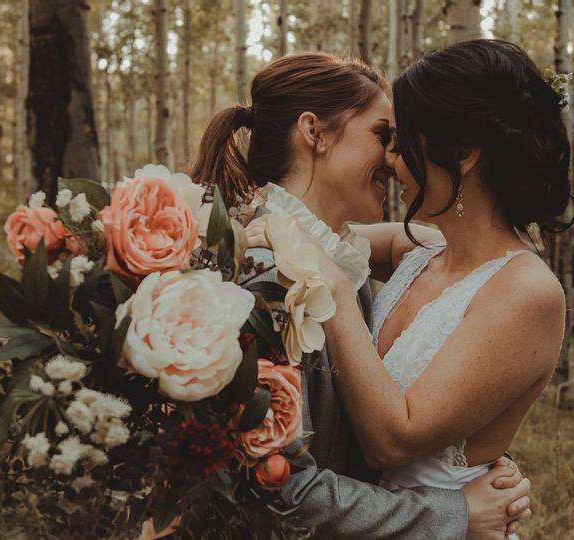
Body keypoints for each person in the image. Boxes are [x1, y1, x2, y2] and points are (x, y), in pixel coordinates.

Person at [191, 51, 531, 538]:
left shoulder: (334, 254)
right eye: (383, 136)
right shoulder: (264, 274)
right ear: (315, 133)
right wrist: (453, 513)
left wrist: (464, 462)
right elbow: (276, 488)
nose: (396, 161)